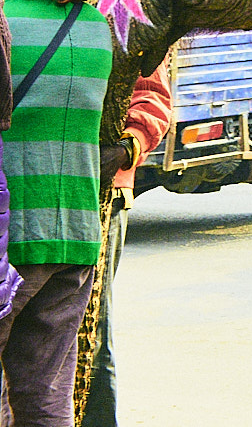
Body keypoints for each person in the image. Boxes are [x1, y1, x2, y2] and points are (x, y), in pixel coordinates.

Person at [0, 0, 112, 427]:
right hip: (76, 235)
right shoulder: (98, 30)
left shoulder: (3, 23)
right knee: (46, 396)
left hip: (12, 235)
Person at [78, 66, 170, 427]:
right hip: (25, 185)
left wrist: (123, 150)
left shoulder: (122, 13)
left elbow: (153, 97)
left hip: (105, 189)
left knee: (93, 331)